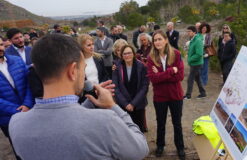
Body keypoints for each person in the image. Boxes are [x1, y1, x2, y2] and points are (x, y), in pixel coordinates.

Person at [9, 34, 149, 160]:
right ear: (72, 71)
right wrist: (112, 106)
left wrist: (89, 102)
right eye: (83, 68)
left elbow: (63, 121)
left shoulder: (16, 123)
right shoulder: (105, 121)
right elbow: (140, 149)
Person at [147, 30, 185, 159]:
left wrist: (160, 74)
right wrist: (170, 71)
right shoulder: (150, 58)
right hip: (160, 97)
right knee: (161, 123)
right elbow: (154, 79)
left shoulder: (177, 54)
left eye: (159, 39)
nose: (157, 42)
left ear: (166, 40)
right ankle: (160, 146)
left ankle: (180, 147)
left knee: (177, 123)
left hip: (175, 95)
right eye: (155, 40)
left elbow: (180, 76)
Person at [0, 37, 34, 160]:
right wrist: (17, 110)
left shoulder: (16, 61)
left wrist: (27, 104)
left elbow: (30, 83)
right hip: (8, 119)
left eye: (1, 45)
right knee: (20, 150)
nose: (0, 48)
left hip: (30, 111)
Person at [113, 45, 149, 133]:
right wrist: (126, 104)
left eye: (129, 53)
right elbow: (116, 87)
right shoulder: (117, 67)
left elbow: (144, 86)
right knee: (126, 131)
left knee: (139, 130)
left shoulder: (142, 66)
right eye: (125, 54)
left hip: (138, 104)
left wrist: (133, 104)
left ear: (133, 54)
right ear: (121, 55)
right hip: (123, 105)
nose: (127, 55)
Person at [184, 26, 206, 100]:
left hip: (197, 63)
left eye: (189, 31)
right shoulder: (193, 39)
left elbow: (199, 54)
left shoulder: (198, 40)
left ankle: (188, 95)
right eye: (187, 31)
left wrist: (190, 59)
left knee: (190, 79)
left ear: (194, 32)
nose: (188, 33)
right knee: (198, 78)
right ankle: (203, 93)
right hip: (194, 63)